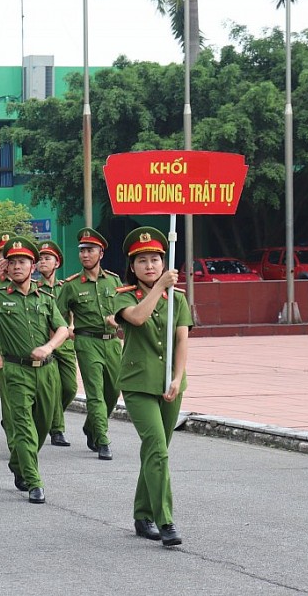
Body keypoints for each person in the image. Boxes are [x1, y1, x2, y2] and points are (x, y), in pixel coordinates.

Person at [0, 236, 69, 504]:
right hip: (15, 372)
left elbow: (64, 328)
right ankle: (34, 481)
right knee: (23, 428)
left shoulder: (46, 297)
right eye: (12, 262)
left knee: (42, 425)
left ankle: (19, 464)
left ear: (33, 266)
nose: (17, 266)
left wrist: (49, 347)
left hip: (47, 371)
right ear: (6, 267)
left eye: (23, 261)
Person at [113, 226, 192, 547]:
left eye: (156, 259)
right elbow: (137, 318)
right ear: (132, 267)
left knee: (156, 452)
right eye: (142, 260)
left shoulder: (179, 299)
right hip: (138, 383)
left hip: (171, 385)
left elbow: (182, 338)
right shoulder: (121, 296)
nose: (150, 265)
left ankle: (142, 514)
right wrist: (158, 287)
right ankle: (166, 521)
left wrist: (177, 377)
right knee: (157, 449)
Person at [56, 228, 123, 460]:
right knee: (95, 393)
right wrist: (65, 332)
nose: (85, 255)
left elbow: (123, 308)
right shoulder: (71, 286)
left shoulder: (114, 281)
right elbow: (58, 316)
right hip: (86, 342)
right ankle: (103, 440)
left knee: (113, 392)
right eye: (82, 251)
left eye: (90, 250)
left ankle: (91, 426)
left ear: (101, 253)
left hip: (113, 343)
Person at [34, 240, 78, 449]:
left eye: (47, 258)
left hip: (66, 345)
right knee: (53, 387)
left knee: (69, 388)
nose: (43, 262)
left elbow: (77, 311)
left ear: (57, 263)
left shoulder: (66, 287)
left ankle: (48, 416)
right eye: (40, 259)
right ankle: (57, 430)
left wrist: (73, 327)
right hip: (44, 344)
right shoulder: (33, 288)